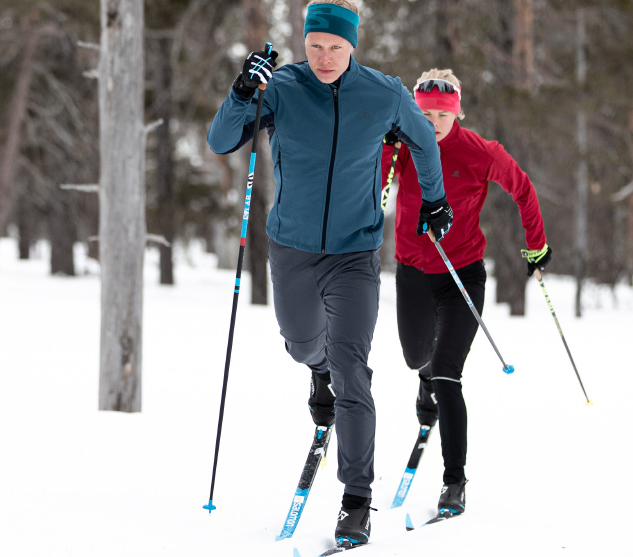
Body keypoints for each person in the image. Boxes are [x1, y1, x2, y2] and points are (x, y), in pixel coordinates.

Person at [206, 0, 450, 546]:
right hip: (290, 248)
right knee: (300, 344)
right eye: (315, 45)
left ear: (353, 46)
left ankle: (356, 499)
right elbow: (222, 140)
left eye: (335, 48)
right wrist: (243, 92)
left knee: (352, 369)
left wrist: (434, 201)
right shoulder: (283, 87)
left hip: (355, 252)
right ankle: (316, 369)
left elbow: (423, 141)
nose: (323, 56)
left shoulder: (383, 92)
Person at [381, 68, 551, 519]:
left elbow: (523, 189)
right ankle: (425, 379)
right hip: (413, 271)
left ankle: (453, 482)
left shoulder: (480, 153)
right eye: (424, 113)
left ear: (457, 113)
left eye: (442, 114)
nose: (433, 121)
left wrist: (537, 245)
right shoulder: (398, 146)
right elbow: (368, 183)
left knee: (447, 375)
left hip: (462, 276)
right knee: (417, 357)